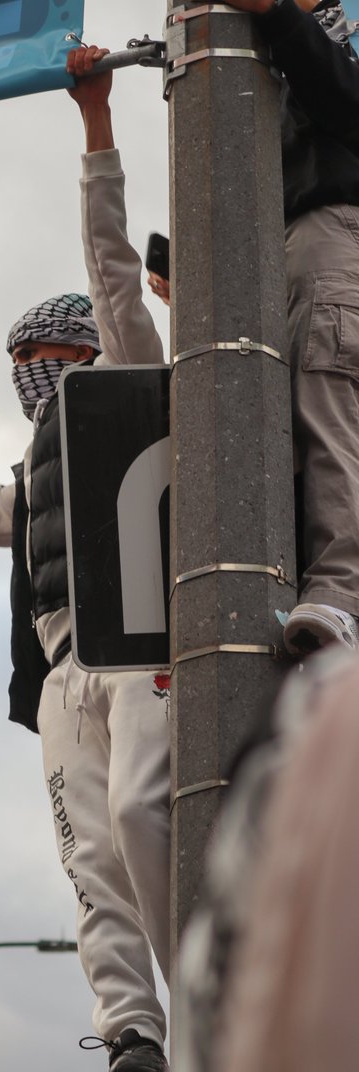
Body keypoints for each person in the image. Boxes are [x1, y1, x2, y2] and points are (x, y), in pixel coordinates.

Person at [0, 47, 169, 1072]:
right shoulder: (31, 473)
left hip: (148, 646)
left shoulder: (132, 380)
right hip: (64, 669)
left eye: (54, 350)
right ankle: (129, 1031)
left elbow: (111, 270)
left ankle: (207, 991)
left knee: (150, 809)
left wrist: (96, 125)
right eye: (29, 358)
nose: (42, 370)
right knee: (90, 852)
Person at [190, 0, 359, 656]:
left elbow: (346, 103)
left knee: (328, 418)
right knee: (300, 422)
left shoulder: (324, 24)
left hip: (337, 233)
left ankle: (342, 593)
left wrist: (283, 18)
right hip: (296, 248)